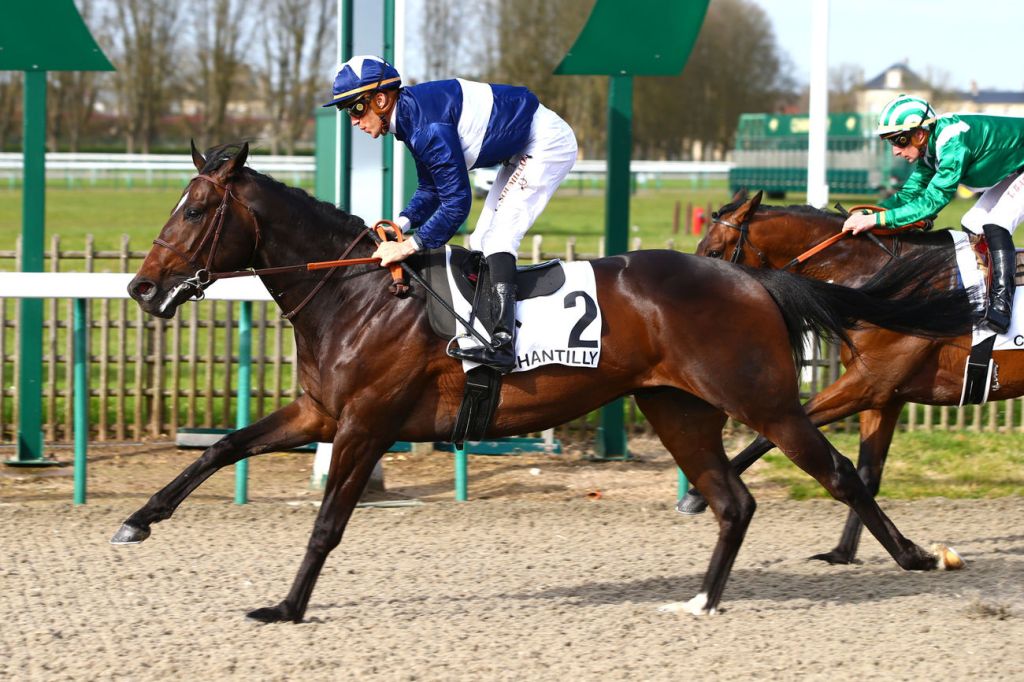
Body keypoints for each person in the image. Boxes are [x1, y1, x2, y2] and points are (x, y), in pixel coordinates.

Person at [322, 55, 578, 372]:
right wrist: (400, 224)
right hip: (521, 146)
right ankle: (488, 328)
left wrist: (409, 246)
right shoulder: (411, 119)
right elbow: (430, 190)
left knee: (500, 237)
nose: (354, 120)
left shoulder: (425, 128)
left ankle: (502, 343)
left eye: (356, 108)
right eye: (347, 111)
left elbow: (457, 203)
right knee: (481, 238)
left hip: (545, 144)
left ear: (381, 99)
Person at [842, 94, 1024, 334]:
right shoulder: (930, 144)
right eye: (891, 142)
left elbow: (932, 201)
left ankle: (1001, 310)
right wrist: (870, 212)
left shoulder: (952, 143)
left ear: (919, 134)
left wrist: (876, 220)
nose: (896, 151)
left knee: (996, 224)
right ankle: (981, 294)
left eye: (899, 140)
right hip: (1015, 166)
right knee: (972, 222)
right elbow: (909, 194)